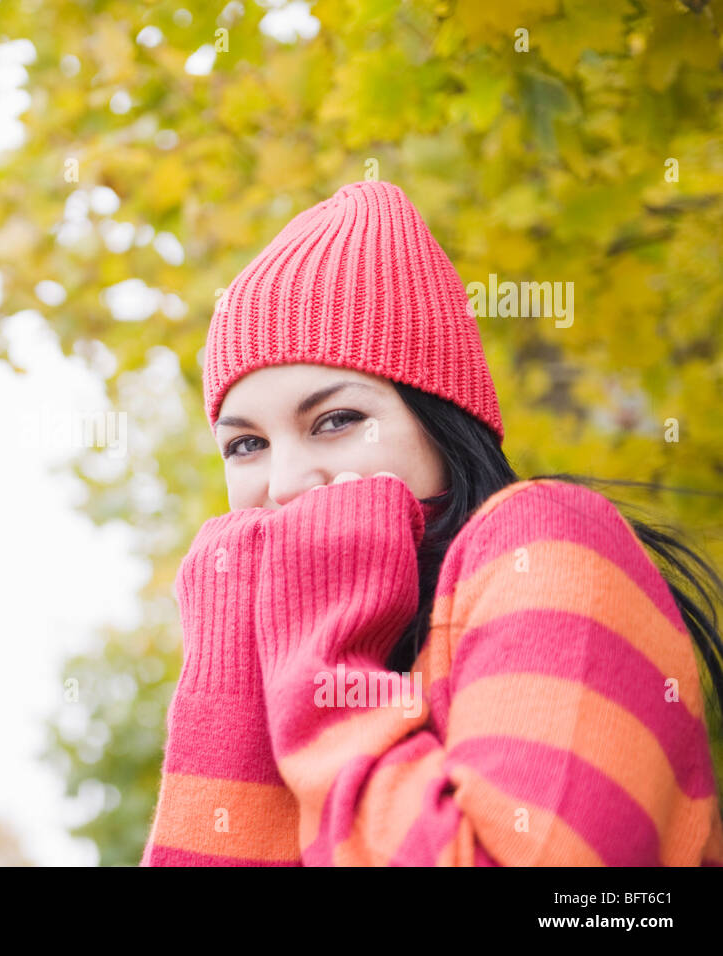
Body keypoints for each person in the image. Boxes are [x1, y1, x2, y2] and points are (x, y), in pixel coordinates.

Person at [141, 180, 723, 866]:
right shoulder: (304, 650)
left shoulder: (549, 540)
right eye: (246, 444)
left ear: (440, 420)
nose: (287, 483)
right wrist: (228, 682)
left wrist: (323, 655)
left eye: (335, 421)